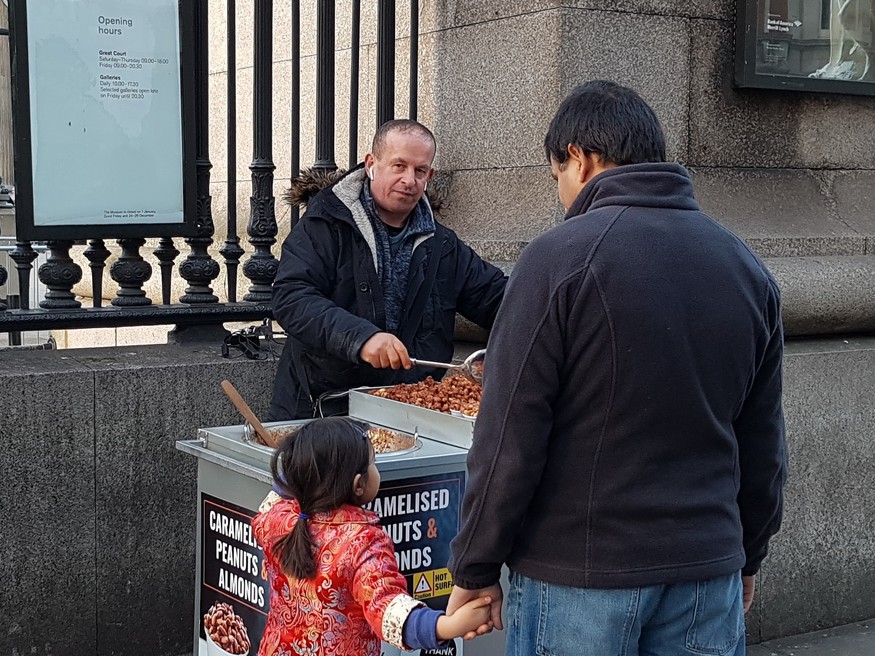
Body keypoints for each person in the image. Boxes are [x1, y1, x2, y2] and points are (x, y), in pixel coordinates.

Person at [446, 80, 788, 655]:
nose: (560, 193)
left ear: (580, 158)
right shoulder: (745, 267)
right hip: (706, 566)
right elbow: (762, 443)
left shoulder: (558, 258)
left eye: (556, 176)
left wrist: (475, 566)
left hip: (579, 571)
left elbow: (508, 435)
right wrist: (747, 553)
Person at [268, 119, 507, 420]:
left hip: (407, 410)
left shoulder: (444, 245)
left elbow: (497, 298)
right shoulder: (324, 225)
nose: (409, 180)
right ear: (371, 164)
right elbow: (292, 299)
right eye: (398, 166)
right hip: (322, 407)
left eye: (420, 171)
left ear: (430, 175)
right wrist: (361, 338)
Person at [252, 417, 493, 655]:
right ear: (359, 485)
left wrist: (303, 468)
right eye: (373, 463)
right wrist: (449, 626)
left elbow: (279, 489)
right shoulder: (363, 542)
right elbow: (387, 609)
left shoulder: (278, 519)